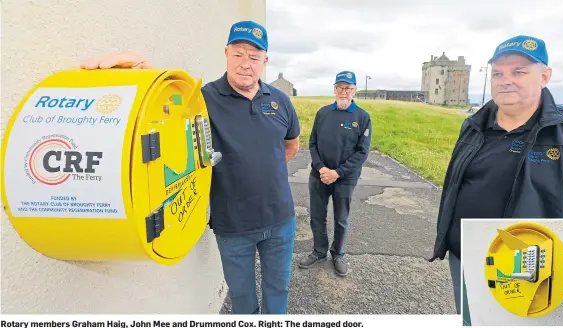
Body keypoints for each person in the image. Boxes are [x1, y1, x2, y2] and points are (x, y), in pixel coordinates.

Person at [80, 20, 301, 315]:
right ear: (226, 53)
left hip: (280, 222)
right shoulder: (204, 98)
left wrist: (259, 172)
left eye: (254, 56)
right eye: (238, 54)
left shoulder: (281, 101)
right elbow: (170, 110)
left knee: (278, 291)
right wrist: (147, 77)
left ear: (265, 61)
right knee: (243, 299)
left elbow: (291, 145)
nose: (245, 64)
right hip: (233, 227)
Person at [427, 35, 563, 314]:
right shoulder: (473, 125)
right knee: (470, 318)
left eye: (519, 71)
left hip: (535, 270)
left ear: (545, 76)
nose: (506, 80)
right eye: (498, 73)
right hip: (465, 257)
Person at [298, 71, 372, 277]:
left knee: (341, 218)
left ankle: (338, 254)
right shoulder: (323, 113)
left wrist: (337, 173)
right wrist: (321, 168)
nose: (344, 92)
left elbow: (362, 152)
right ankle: (319, 251)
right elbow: (312, 143)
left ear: (355, 91)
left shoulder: (362, 117)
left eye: (348, 88)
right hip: (319, 175)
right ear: (334, 89)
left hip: (345, 178)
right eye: (340, 87)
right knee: (317, 216)